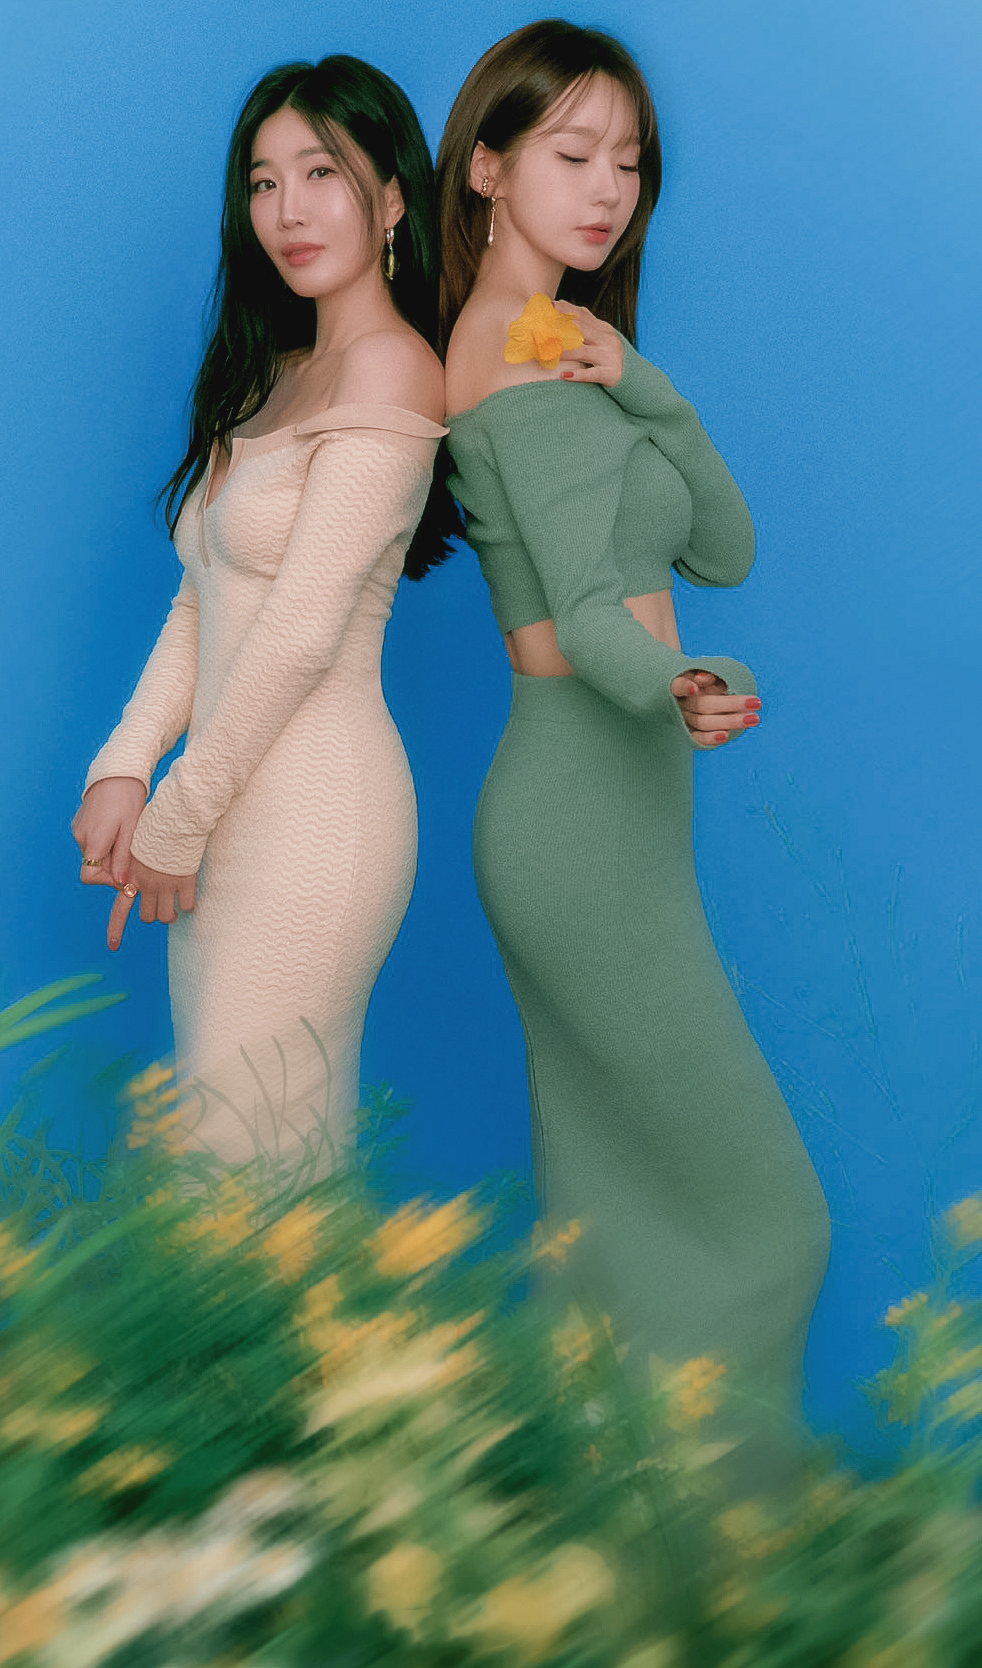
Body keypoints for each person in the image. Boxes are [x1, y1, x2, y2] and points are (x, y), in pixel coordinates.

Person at [437, 21, 830, 1465]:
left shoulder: (565, 348)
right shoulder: (505, 357)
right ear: (487, 169)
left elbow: (721, 548)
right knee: (773, 1220)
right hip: (578, 817)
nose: (608, 189)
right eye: (571, 153)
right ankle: (714, 1526)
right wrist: (674, 686)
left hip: (613, 812)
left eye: (629, 162)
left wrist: (641, 379)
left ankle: (619, 1527)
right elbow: (591, 624)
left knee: (611, 1225)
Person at [72, 56, 451, 1181]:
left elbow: (300, 632)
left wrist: (176, 817)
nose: (288, 209)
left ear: (393, 198)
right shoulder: (273, 374)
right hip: (225, 804)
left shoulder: (395, 369)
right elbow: (206, 595)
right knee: (233, 1166)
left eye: (321, 173)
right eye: (263, 181)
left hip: (315, 818)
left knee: (256, 1174)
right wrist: (124, 765)